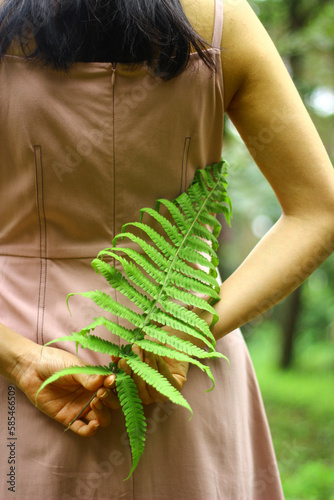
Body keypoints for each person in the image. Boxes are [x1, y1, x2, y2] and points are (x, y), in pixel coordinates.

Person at [0, 0, 333, 498]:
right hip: (183, 370)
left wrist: (20, 358)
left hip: (18, 374)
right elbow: (318, 211)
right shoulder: (222, 21)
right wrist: (186, 330)